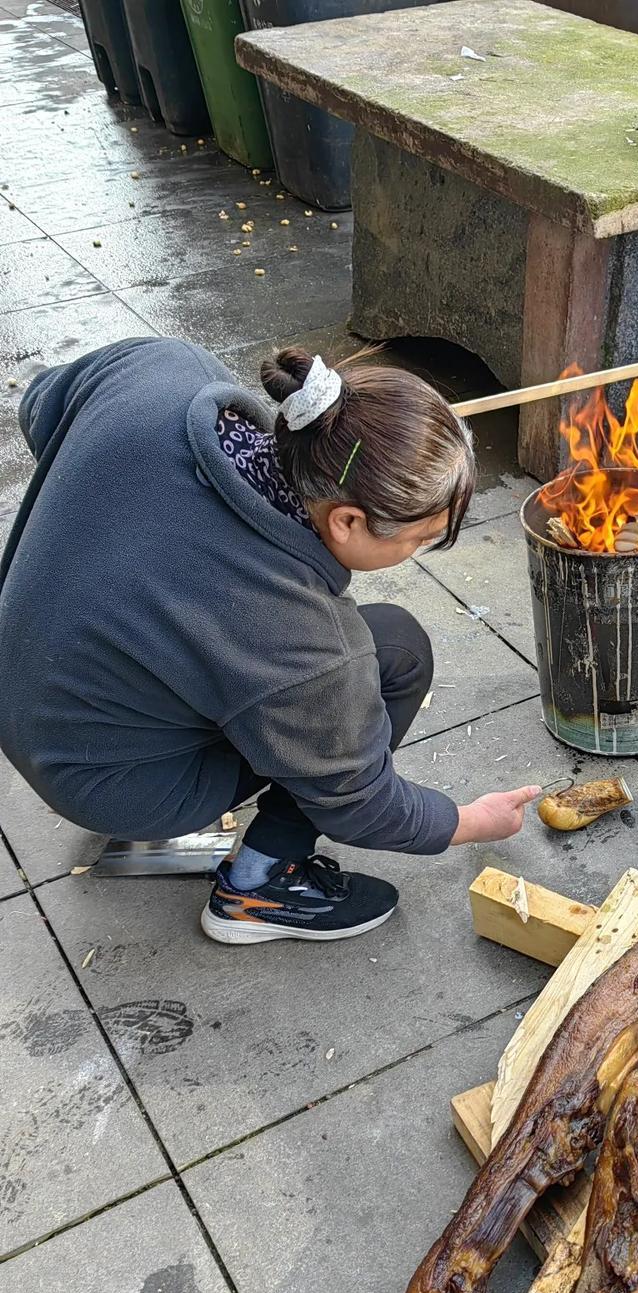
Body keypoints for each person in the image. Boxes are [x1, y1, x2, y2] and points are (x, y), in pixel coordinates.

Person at [0, 338, 541, 945]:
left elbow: (41, 406)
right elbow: (359, 803)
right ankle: (258, 887)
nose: (416, 553)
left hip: (28, 687)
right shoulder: (299, 641)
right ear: (347, 520)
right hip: (106, 783)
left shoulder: (161, 369)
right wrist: (468, 821)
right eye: (420, 538)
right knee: (398, 652)